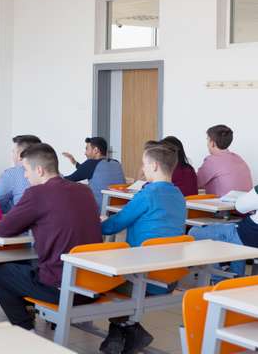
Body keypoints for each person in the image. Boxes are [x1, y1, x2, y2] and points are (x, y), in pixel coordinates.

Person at [0, 143, 101, 331]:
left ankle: (25, 329)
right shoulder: (84, 190)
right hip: (95, 284)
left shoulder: (37, 194)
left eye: (25, 170)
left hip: (62, 286)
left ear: (39, 170)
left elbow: (3, 230)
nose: (24, 175)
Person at [100, 144, 187, 354]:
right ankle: (123, 335)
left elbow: (114, 225)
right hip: (169, 276)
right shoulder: (179, 196)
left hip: (142, 277)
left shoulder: (147, 194)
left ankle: (128, 330)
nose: (143, 168)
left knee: (104, 279)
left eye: (144, 164)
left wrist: (99, 221)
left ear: (155, 166)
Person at [189, 184, 258, 278]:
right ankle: (235, 279)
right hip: (249, 239)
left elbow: (240, 207)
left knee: (195, 232)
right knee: (236, 243)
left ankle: (217, 278)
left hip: (249, 236)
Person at [62, 136, 126, 209]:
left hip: (100, 210)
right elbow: (84, 170)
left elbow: (68, 179)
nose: (85, 153)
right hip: (118, 208)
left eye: (87, 149)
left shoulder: (91, 164)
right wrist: (74, 162)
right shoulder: (116, 163)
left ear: (95, 150)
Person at [197, 124, 252, 196]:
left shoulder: (212, 161)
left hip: (224, 205)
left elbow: (195, 183)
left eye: (207, 140)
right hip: (246, 205)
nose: (207, 144)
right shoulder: (238, 158)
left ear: (212, 143)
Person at [0, 135, 41, 213]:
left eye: (13, 151)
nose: (12, 155)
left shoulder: (11, 174)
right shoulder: (54, 174)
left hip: (21, 222)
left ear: (20, 154)